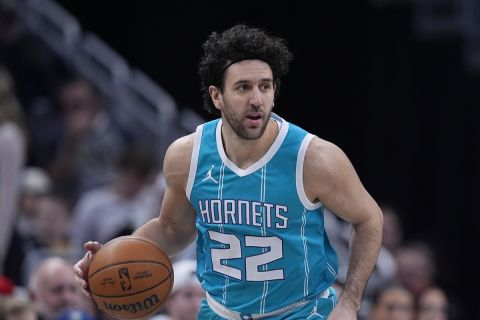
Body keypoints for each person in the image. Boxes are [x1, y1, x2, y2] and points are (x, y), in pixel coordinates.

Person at [74, 24, 383, 319]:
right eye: (243, 87)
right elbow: (172, 229)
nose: (256, 100)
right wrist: (114, 258)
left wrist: (349, 302)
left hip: (302, 312)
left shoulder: (314, 158)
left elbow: (368, 218)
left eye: (265, 87)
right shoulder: (187, 156)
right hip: (220, 312)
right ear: (216, 96)